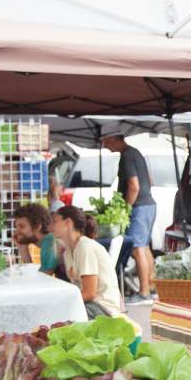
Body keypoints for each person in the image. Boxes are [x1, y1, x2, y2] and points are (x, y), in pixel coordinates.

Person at [101, 133, 156, 305]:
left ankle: (144, 293)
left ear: (116, 139)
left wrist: (126, 209)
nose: (104, 145)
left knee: (137, 249)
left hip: (139, 207)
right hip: (149, 205)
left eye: (106, 141)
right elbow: (150, 179)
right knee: (145, 247)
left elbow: (134, 186)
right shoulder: (135, 153)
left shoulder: (126, 157)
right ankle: (153, 287)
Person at [52, 206, 122, 318]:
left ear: (68, 223)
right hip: (89, 305)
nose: (51, 226)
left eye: (55, 221)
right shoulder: (68, 251)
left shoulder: (85, 247)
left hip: (103, 308)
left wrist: (61, 303)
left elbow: (89, 293)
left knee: (56, 314)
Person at [13, 203, 60, 275]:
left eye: (22, 227)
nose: (16, 232)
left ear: (38, 226)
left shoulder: (50, 244)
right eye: (16, 227)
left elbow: (42, 280)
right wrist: (23, 249)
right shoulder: (47, 241)